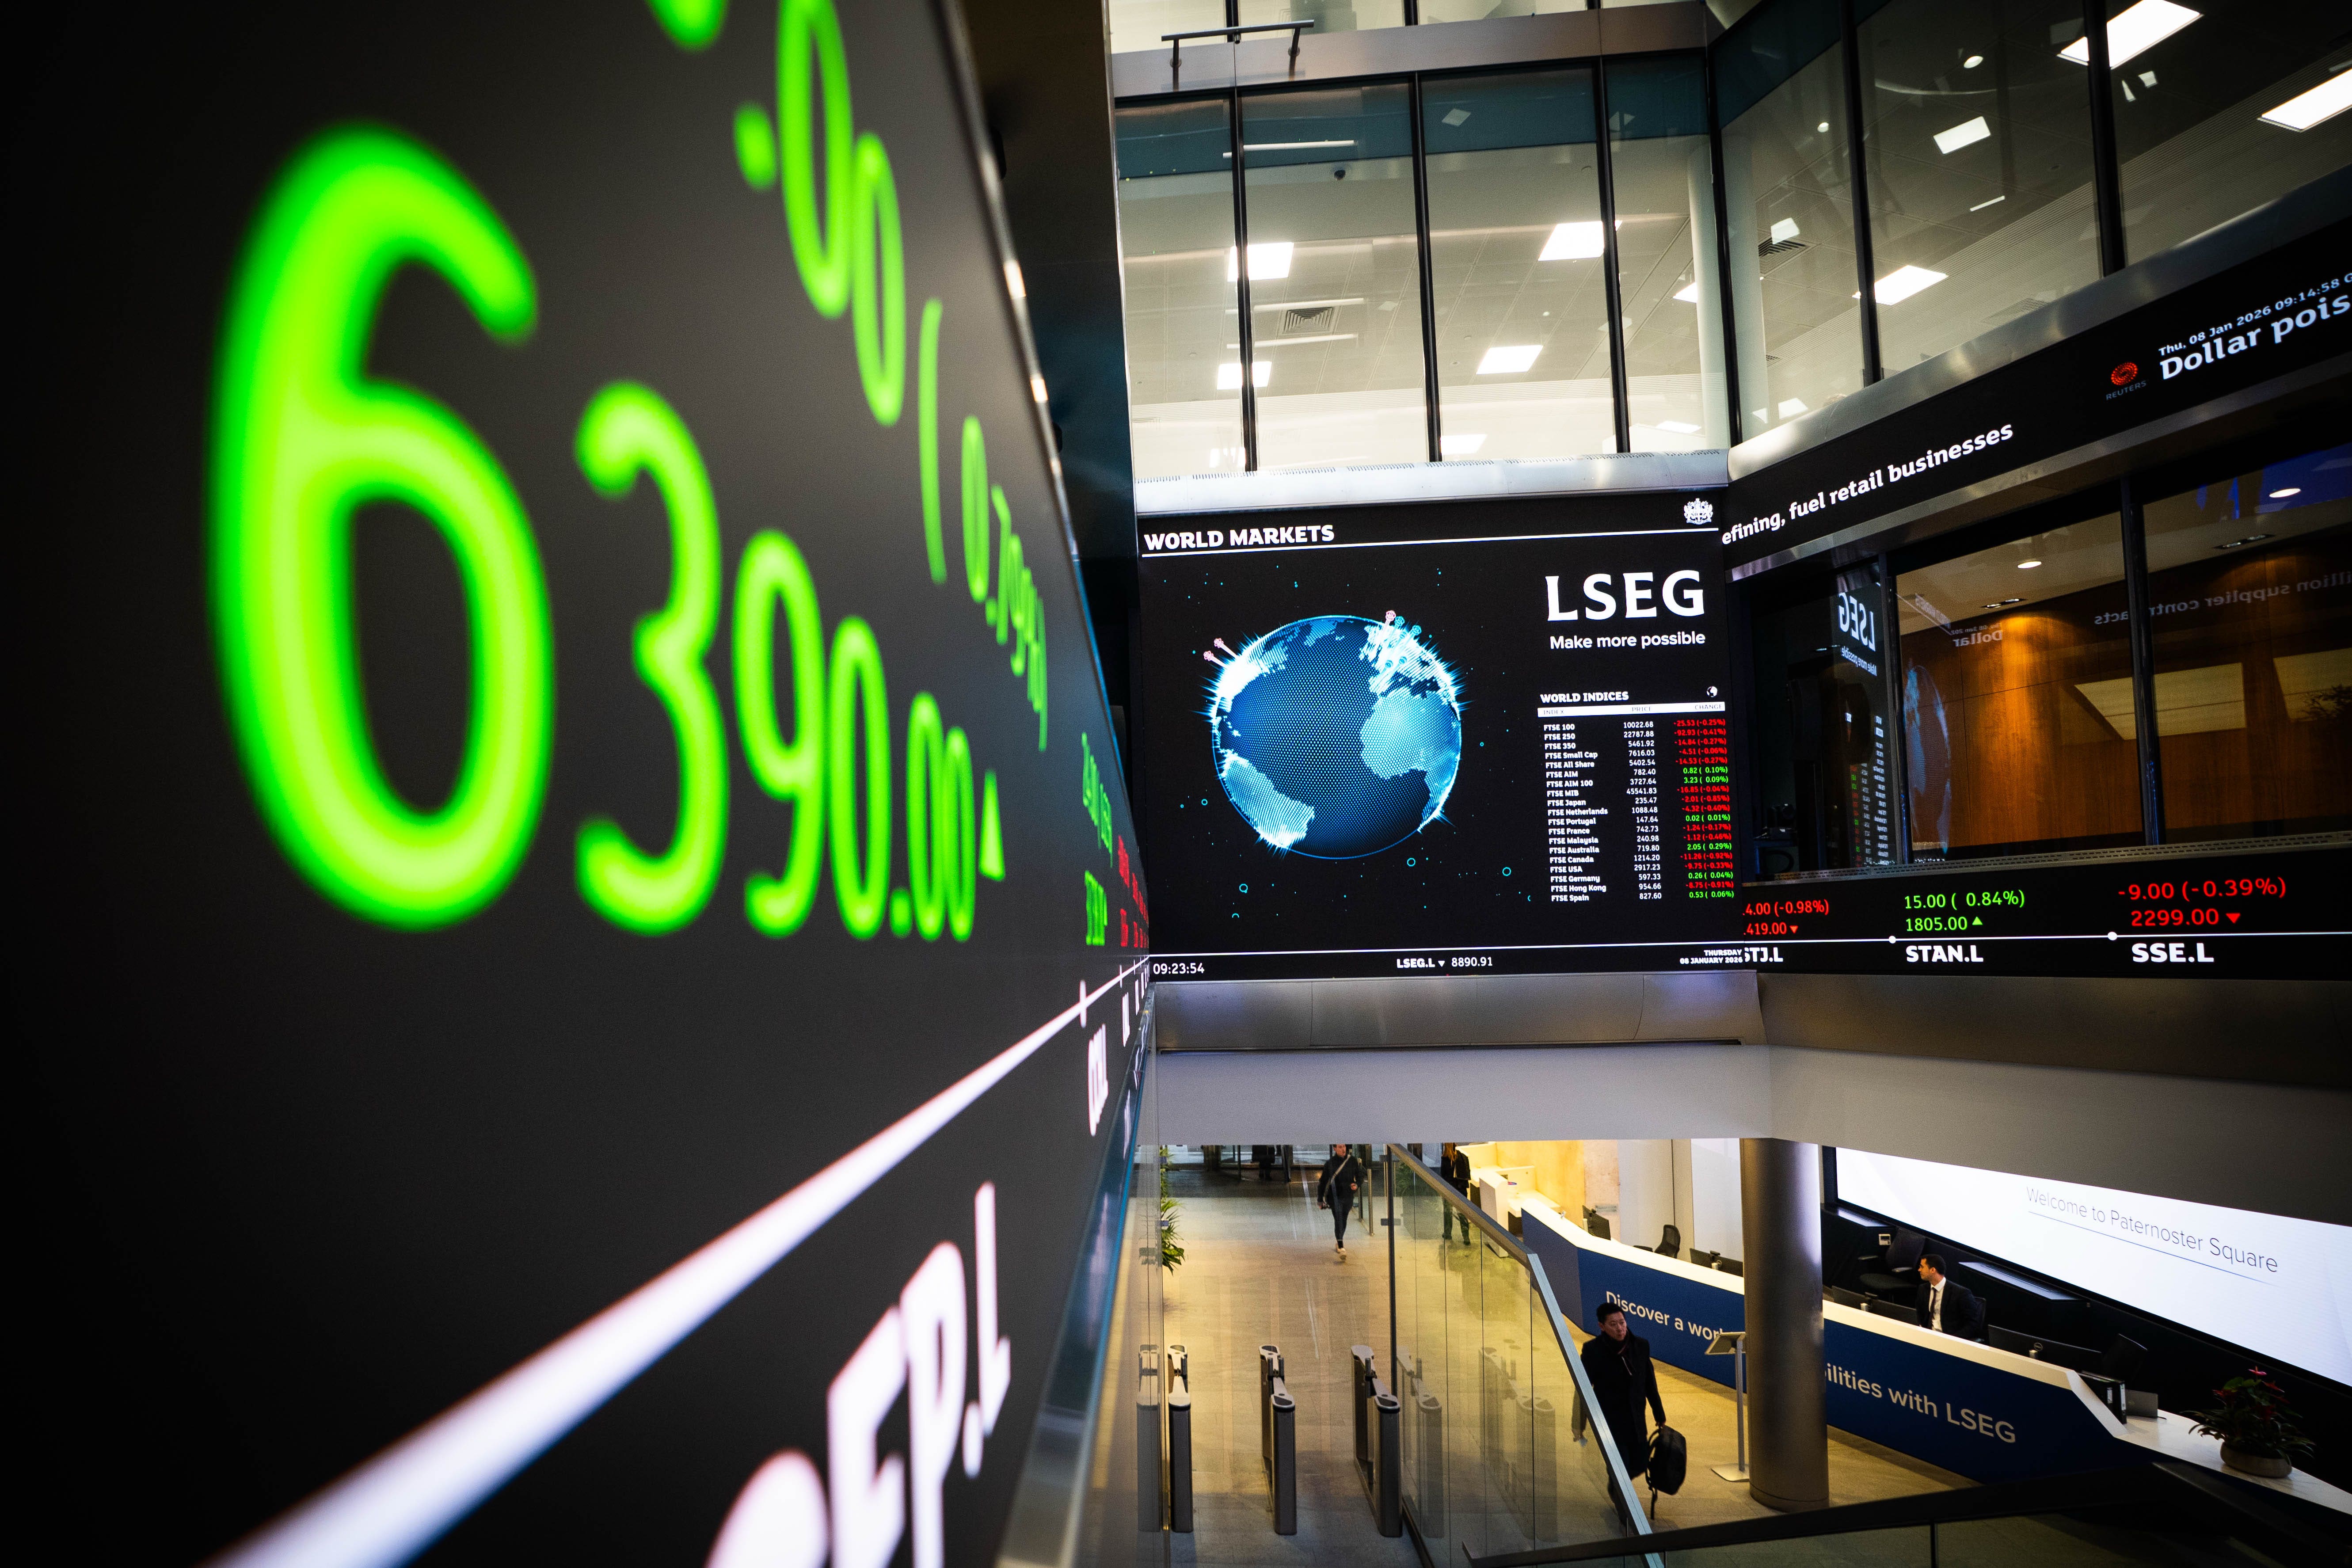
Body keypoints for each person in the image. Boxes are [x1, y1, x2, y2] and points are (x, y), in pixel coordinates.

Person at [1579, 1301, 1665, 1521]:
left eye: (1622, 1322)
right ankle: (1627, 1517)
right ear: (1601, 1326)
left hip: (1636, 1420)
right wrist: (1580, 1423)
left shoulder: (1641, 1346)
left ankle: (1615, 1485)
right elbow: (1583, 1389)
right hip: (1610, 1421)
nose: (1620, 1328)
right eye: (1614, 1324)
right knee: (1621, 1468)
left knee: (1639, 1463)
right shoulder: (1592, 1351)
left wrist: (1659, 1415)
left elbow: (1650, 1383)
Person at [1917, 1254, 1985, 1339]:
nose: (1919, 1270)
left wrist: (1953, 1340)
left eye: (1922, 1267)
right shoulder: (1923, 1290)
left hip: (1951, 1340)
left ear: (1933, 1270)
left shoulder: (1961, 1293)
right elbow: (1919, 1316)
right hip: (1928, 1337)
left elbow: (1973, 1325)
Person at [1324, 1145, 1364, 1259]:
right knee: (1339, 1219)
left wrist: (1356, 1185)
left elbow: (1360, 1176)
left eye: (1344, 1147)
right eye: (1340, 1147)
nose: (1343, 1149)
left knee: (1344, 1219)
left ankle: (1339, 1241)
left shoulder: (1352, 1161)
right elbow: (1324, 1181)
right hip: (1334, 1196)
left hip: (1348, 1195)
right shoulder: (1331, 1163)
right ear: (1335, 1149)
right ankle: (1341, 1246)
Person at [1440, 1143, 1473, 1242]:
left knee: (1448, 1213)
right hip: (1461, 1190)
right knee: (1462, 1213)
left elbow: (1443, 1176)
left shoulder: (1445, 1159)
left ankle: (1448, 1234)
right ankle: (1466, 1237)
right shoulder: (1462, 1157)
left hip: (1450, 1190)